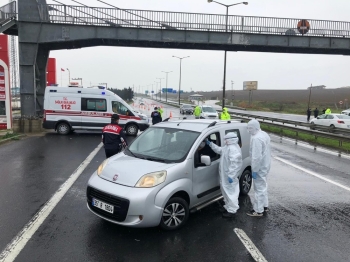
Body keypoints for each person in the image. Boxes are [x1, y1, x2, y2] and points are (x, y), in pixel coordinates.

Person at [206, 132, 242, 218]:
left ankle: (232, 210)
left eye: (226, 139)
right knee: (226, 192)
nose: (225, 141)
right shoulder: (228, 147)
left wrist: (231, 175)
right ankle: (227, 206)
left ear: (230, 140)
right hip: (226, 175)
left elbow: (235, 163)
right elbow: (220, 150)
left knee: (231, 193)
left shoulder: (233, 149)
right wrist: (210, 144)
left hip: (229, 176)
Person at [246, 119, 271, 217]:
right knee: (263, 186)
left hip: (259, 167)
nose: (249, 130)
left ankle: (258, 210)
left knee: (259, 188)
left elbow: (256, 157)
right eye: (248, 128)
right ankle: (264, 206)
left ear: (256, 127)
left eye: (250, 128)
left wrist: (255, 170)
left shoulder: (256, 138)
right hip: (265, 164)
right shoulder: (263, 134)